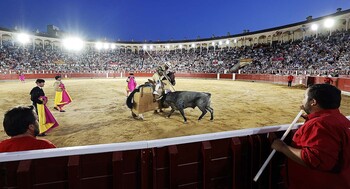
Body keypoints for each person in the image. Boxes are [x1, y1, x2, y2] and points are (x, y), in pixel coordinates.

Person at [271, 84, 350, 189]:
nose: (303, 101)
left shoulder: (320, 124)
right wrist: (311, 116)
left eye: (305, 97)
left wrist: (282, 147)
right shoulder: (340, 119)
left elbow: (314, 159)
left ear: (313, 102)